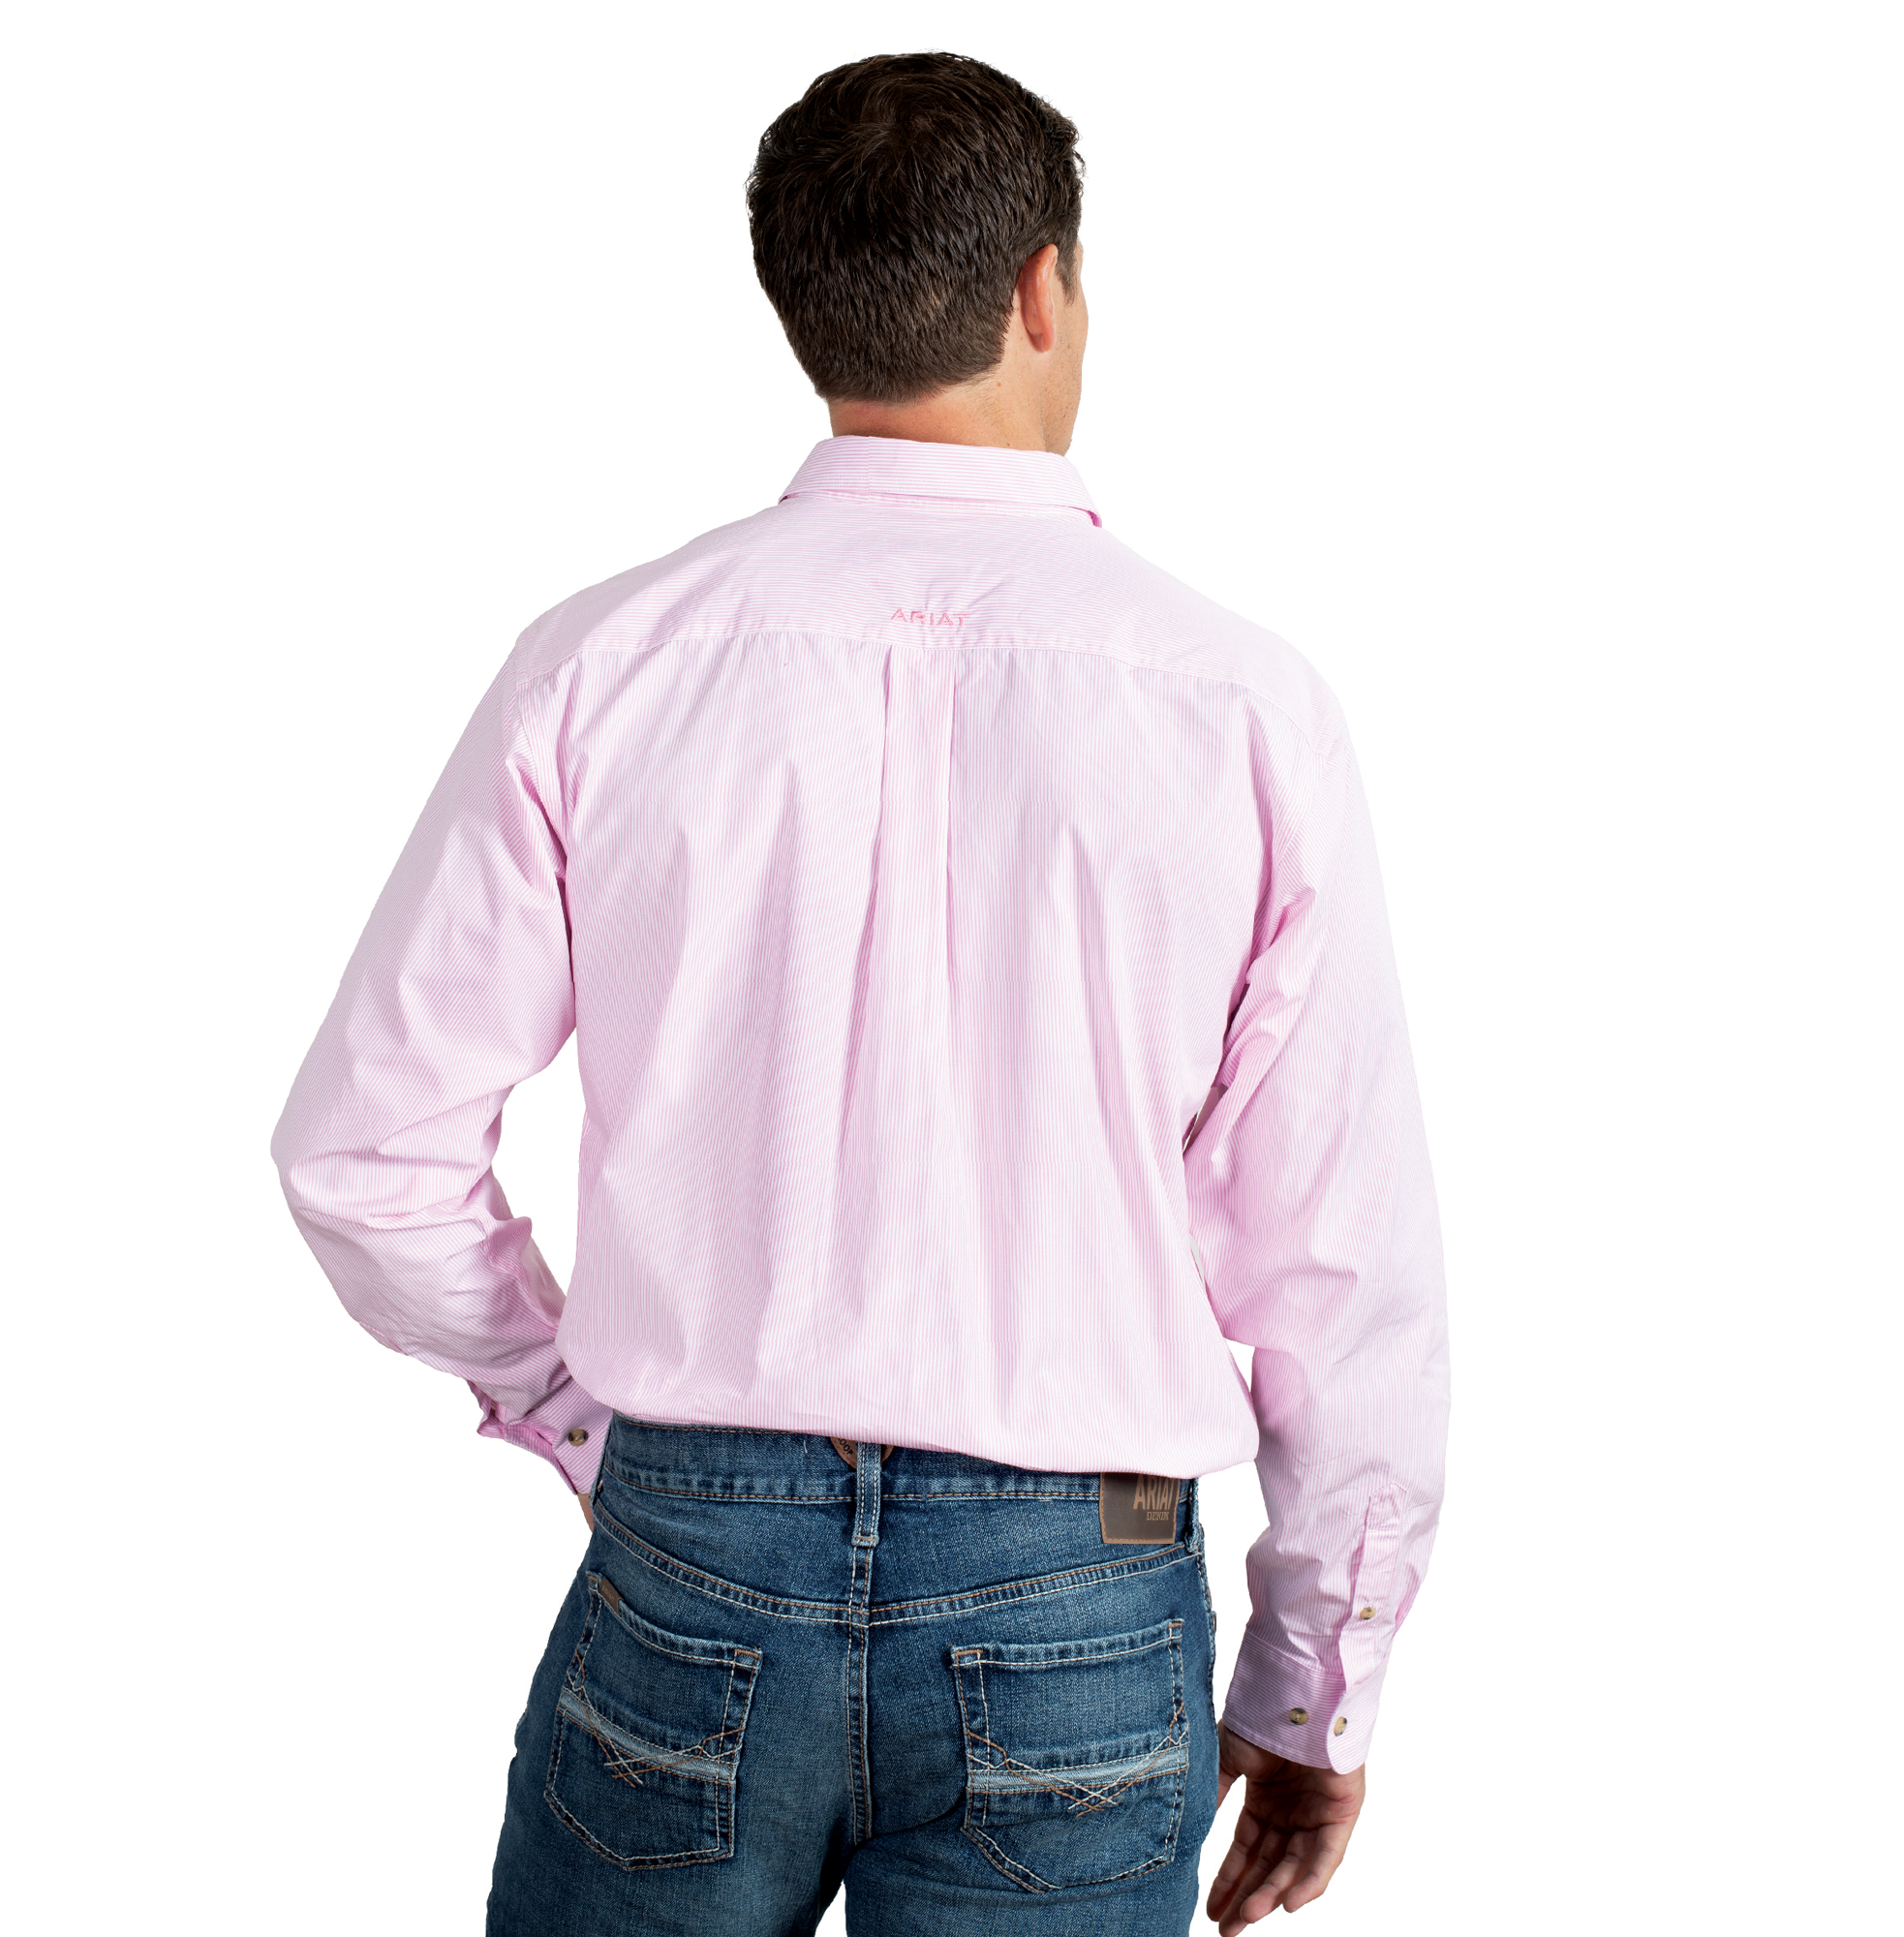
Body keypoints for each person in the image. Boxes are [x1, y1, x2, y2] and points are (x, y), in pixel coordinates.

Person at [271, 49, 1449, 1937]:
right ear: (1046, 290)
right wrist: (1316, 1685)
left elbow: (363, 1155)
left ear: (805, 308)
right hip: (1077, 1595)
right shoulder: (1241, 705)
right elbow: (1343, 1269)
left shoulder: (606, 663)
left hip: (691, 1561)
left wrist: (579, 1411)